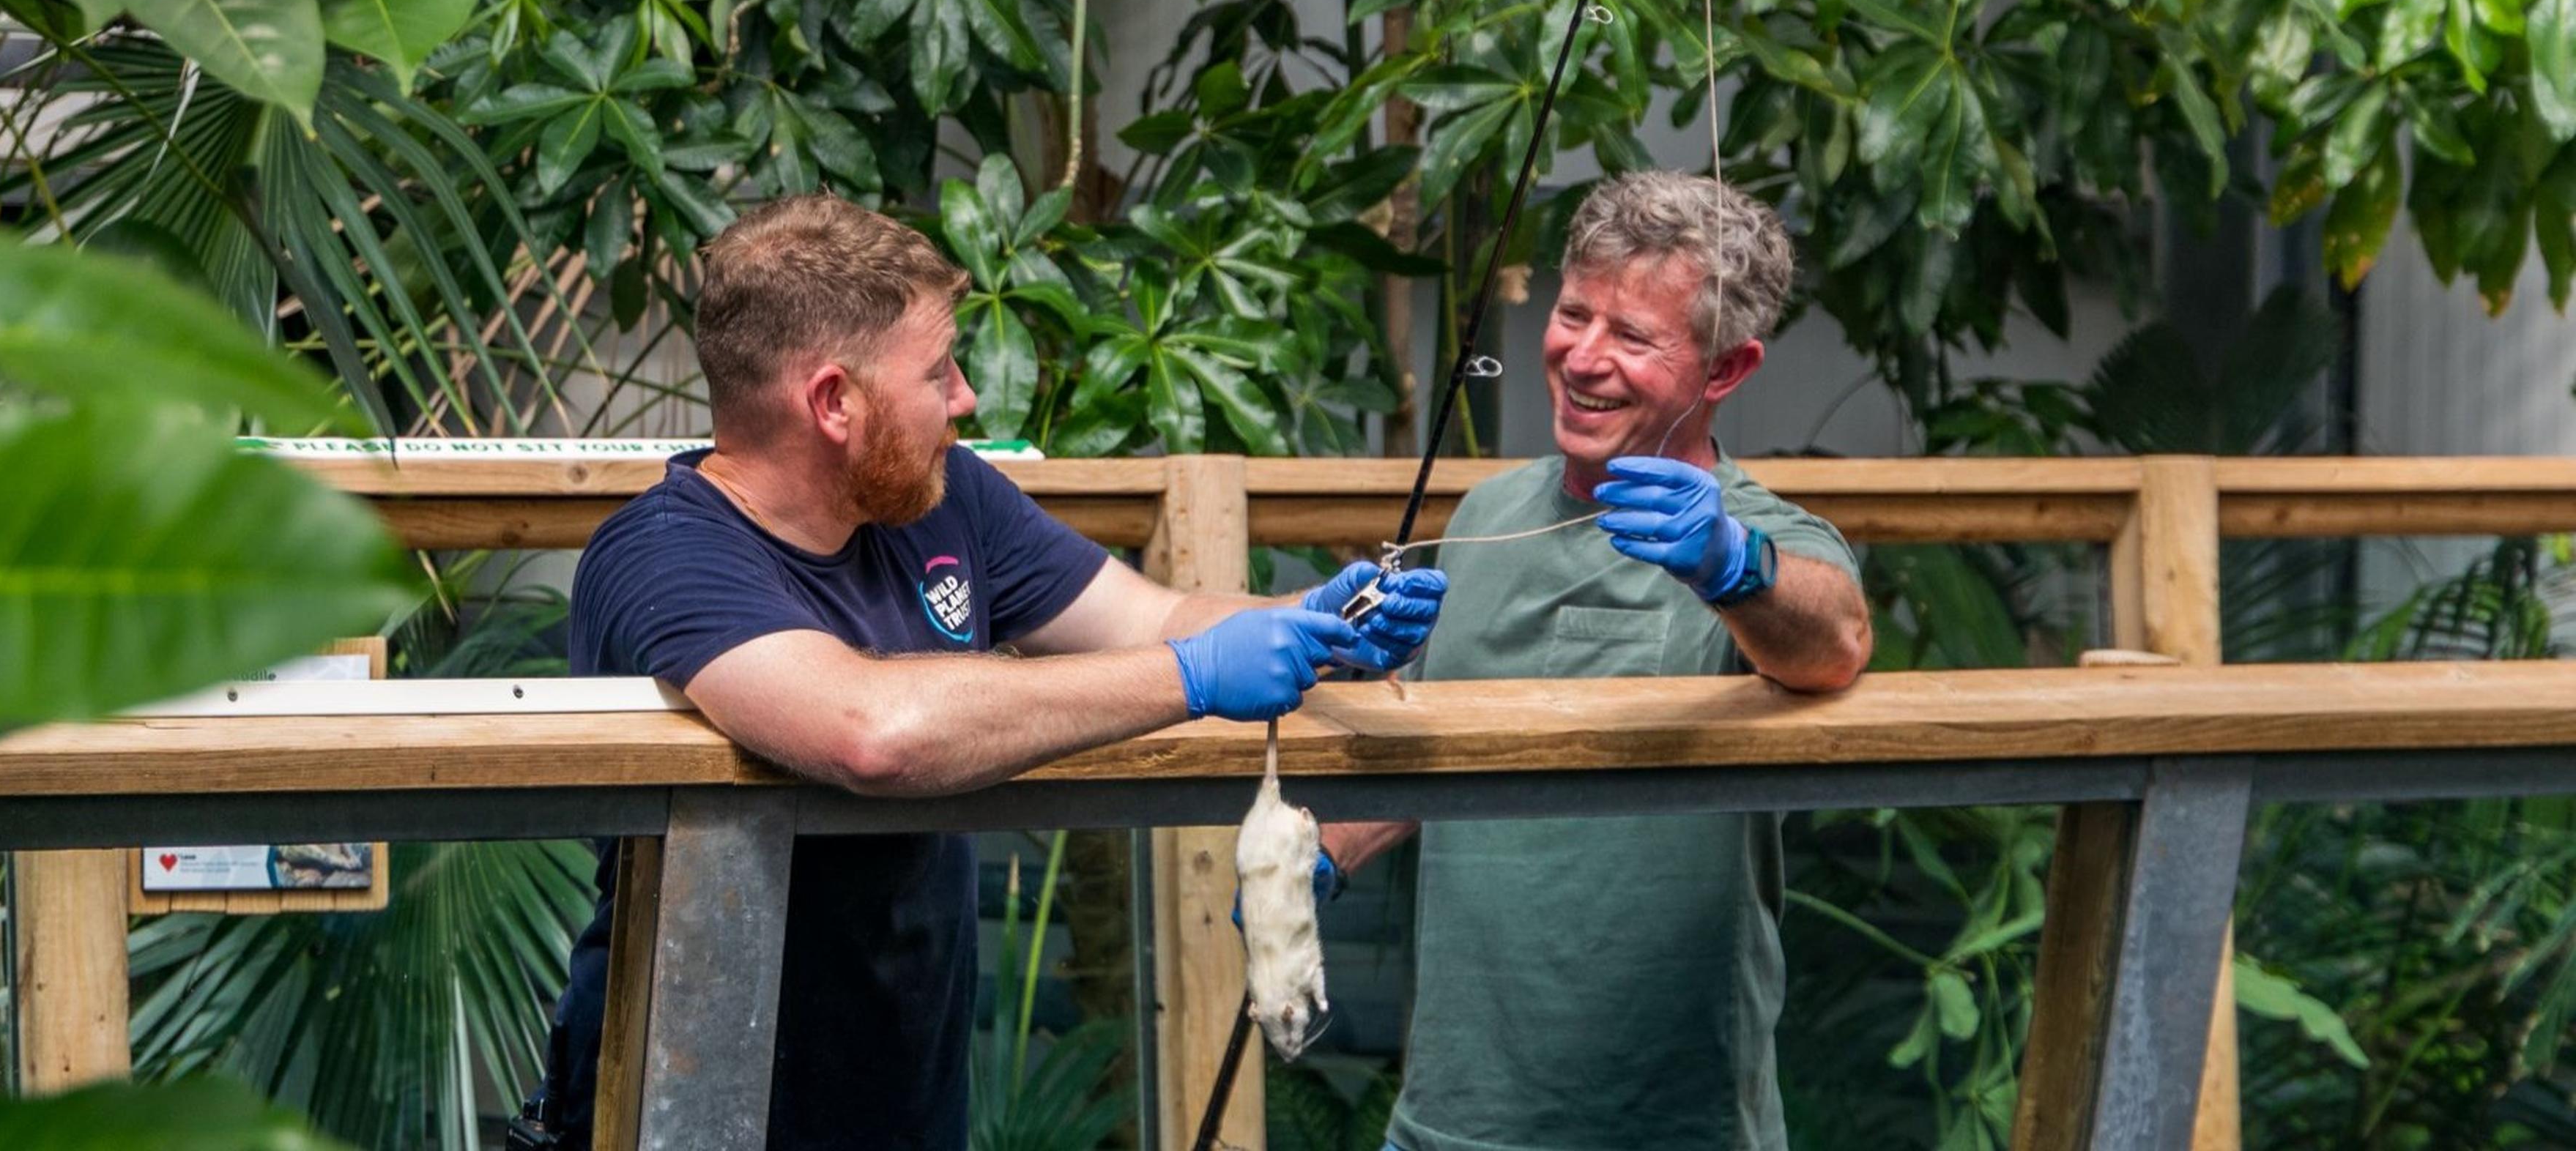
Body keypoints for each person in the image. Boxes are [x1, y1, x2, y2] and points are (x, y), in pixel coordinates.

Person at [525, 193, 1448, 1150]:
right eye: (937, 372)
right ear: (834, 401)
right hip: (690, 1102)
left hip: (904, 1101)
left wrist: (1316, 622)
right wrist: (1192, 676)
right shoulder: (665, 554)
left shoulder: (942, 496)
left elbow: (1151, 617)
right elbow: (870, 731)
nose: (966, 396)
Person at [1313, 171, 1873, 1151]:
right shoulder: (1488, 513)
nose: (1584, 357)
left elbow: (1835, 642)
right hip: (1452, 1116)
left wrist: (1733, 569)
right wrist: (1315, 857)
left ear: (1727, 370)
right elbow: (1449, 743)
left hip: (1671, 1127)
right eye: (1575, 313)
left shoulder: (1763, 537)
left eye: (1635, 337)